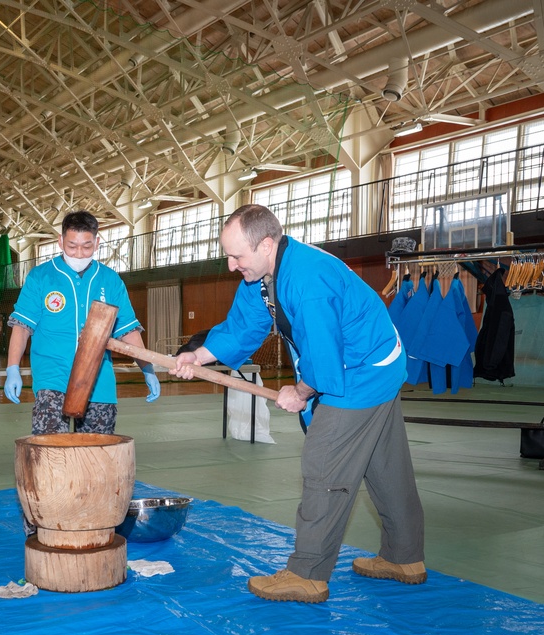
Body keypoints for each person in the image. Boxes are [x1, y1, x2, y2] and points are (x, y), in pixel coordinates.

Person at [171, 204, 425, 603]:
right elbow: (244, 325)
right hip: (378, 361)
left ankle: (307, 574)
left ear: (267, 243)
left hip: (362, 370)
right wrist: (198, 356)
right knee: (384, 463)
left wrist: (301, 391)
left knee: (324, 462)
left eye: (237, 255)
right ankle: (404, 557)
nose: (231, 264)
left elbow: (324, 355)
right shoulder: (266, 274)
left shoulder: (307, 281)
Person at [4, 210, 160, 435]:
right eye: (72, 246)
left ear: (97, 243)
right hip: (52, 377)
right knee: (51, 451)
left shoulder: (110, 280)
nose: (79, 253)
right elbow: (22, 327)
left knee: (96, 455)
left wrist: (147, 369)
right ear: (60, 241)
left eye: (86, 247)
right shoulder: (40, 277)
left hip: (99, 381)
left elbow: (128, 331)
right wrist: (12, 368)